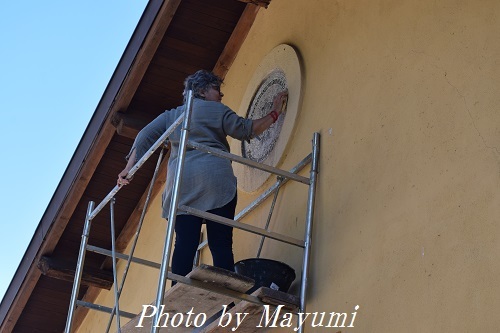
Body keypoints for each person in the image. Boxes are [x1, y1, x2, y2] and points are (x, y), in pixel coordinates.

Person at [117, 70, 288, 281]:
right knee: (221, 244)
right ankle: (227, 300)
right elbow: (247, 130)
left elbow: (146, 135)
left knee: (184, 245)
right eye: (216, 89)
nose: (220, 95)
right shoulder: (217, 110)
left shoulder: (173, 115)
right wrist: (274, 112)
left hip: (183, 185)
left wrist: (129, 169)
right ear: (202, 91)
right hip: (216, 180)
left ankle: (176, 300)